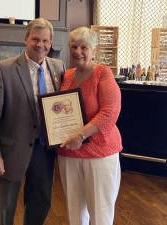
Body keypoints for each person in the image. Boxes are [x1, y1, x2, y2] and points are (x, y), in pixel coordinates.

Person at [0, 18, 65, 225]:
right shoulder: (3, 70)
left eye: (45, 40)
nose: (40, 45)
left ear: (51, 42)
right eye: (35, 39)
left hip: (45, 150)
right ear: (26, 39)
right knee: (5, 208)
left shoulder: (58, 67)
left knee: (40, 202)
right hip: (10, 152)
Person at [58, 26, 122, 225]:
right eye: (74, 46)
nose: (78, 52)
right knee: (74, 211)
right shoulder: (66, 75)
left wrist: (80, 135)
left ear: (94, 50)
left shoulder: (103, 73)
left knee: (101, 212)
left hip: (99, 152)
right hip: (69, 153)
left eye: (84, 47)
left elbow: (109, 113)